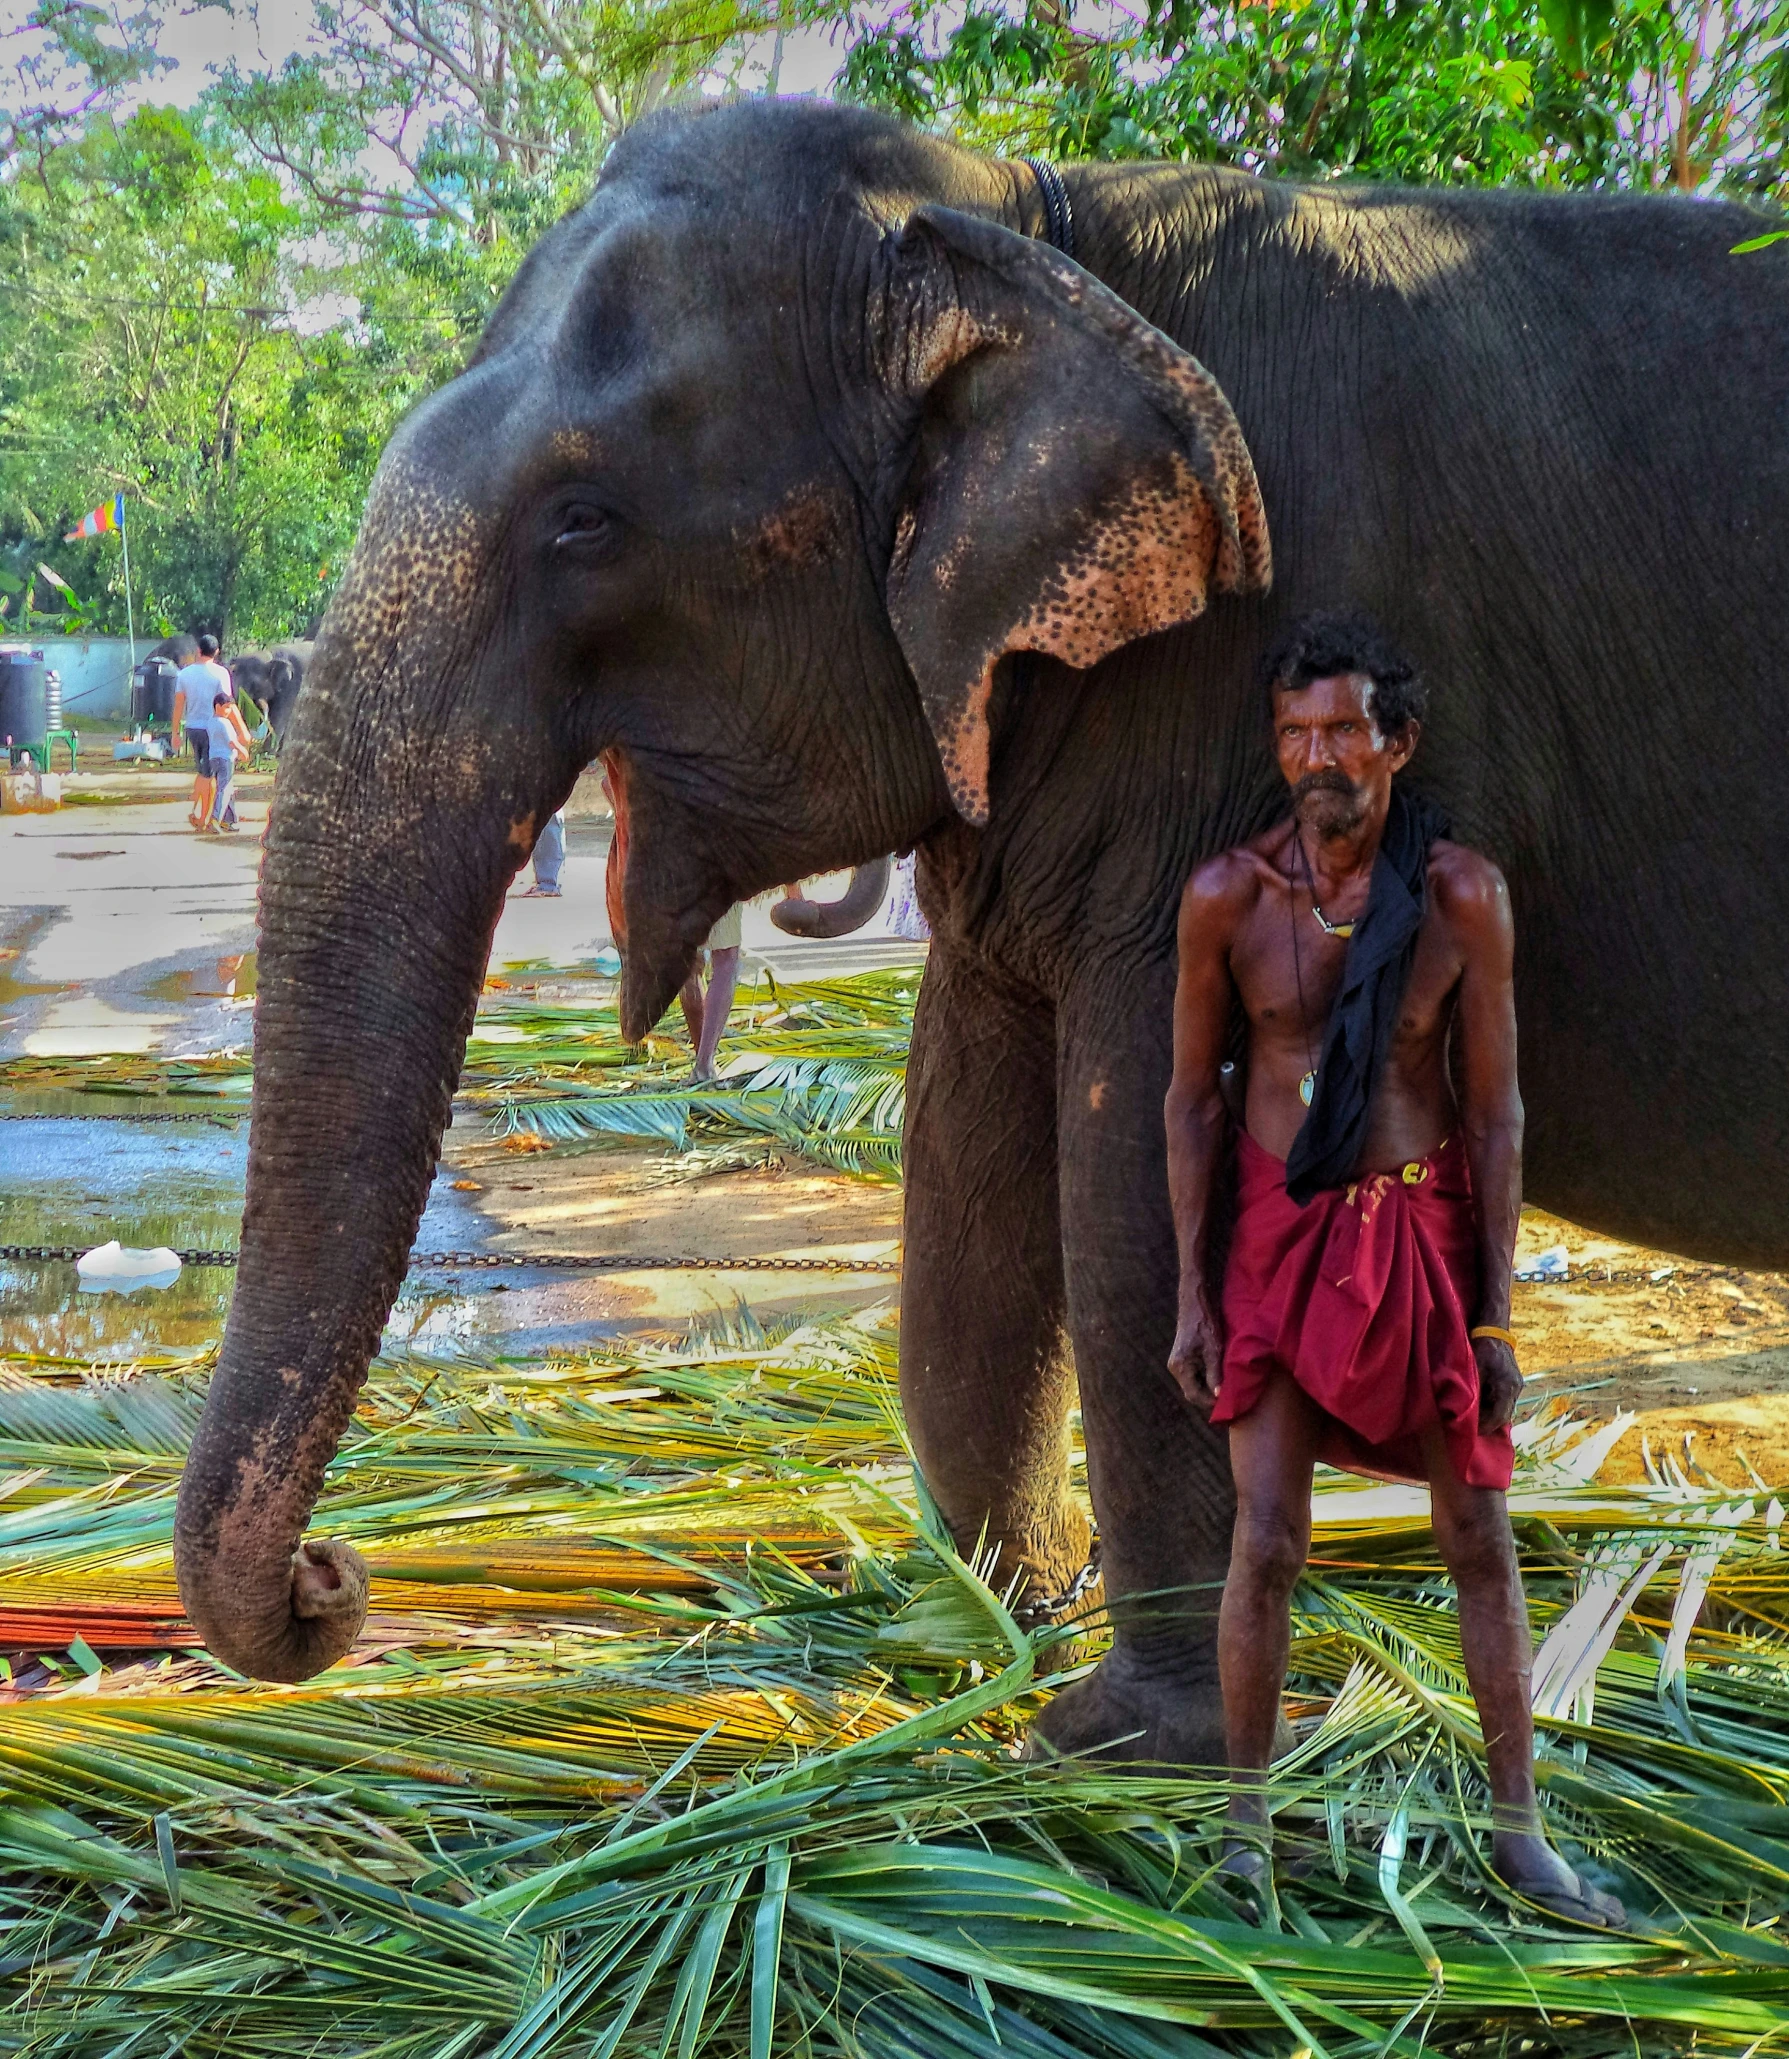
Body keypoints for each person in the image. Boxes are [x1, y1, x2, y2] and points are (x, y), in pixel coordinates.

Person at [1164, 611, 1624, 1928]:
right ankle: (1244, 1833)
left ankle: (1521, 1831)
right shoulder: (1225, 901)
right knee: (1265, 1540)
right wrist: (1197, 1291)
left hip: (1417, 1236)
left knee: (1478, 1533)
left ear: (1397, 744)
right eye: (1294, 733)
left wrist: (1493, 1310)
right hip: (1272, 1243)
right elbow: (1192, 1104)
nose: (1316, 758)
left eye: (1342, 734)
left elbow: (1495, 1116)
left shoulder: (1460, 898)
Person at [599, 748, 741, 1078]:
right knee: (726, 957)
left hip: (649, 859)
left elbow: (610, 787)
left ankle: (700, 1053)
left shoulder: (629, 740)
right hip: (707, 849)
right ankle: (704, 1063)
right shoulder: (700, 734)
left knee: (690, 965)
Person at [174, 635, 232, 827]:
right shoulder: (221, 674)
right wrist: (238, 730)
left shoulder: (184, 675)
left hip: (192, 728)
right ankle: (205, 819)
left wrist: (175, 733)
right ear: (216, 652)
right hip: (213, 727)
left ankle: (203, 815)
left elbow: (178, 705)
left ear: (198, 650)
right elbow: (226, 704)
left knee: (203, 771)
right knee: (210, 775)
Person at [198, 689, 248, 834]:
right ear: (217, 706)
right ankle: (215, 819)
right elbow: (231, 742)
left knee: (228, 789)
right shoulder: (223, 723)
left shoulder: (211, 722)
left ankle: (228, 820)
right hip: (225, 759)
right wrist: (242, 751)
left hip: (214, 758)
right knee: (224, 789)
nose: (228, 711)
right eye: (226, 707)